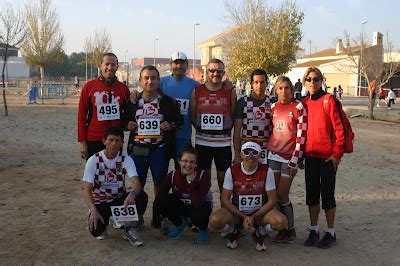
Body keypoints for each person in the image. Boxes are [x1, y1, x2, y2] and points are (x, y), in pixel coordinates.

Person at [123, 65, 183, 227]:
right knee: (138, 184)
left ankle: (159, 215)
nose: (150, 81)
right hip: (138, 150)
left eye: (154, 78)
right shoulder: (133, 101)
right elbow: (122, 121)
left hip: (159, 150)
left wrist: (170, 125)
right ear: (140, 81)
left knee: (159, 184)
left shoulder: (168, 102)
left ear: (158, 80)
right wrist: (127, 124)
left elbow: (180, 121)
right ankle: (138, 215)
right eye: (146, 78)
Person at [209, 141, 287, 251]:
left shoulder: (266, 171)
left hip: (260, 214)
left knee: (281, 222)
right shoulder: (231, 170)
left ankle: (259, 234)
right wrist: (244, 216)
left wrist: (254, 216)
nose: (250, 156)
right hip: (237, 213)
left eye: (254, 152)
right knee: (214, 221)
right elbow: (225, 199)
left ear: (260, 155)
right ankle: (234, 232)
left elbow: (272, 200)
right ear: (241, 155)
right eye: (246, 152)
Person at [82, 126, 148, 246]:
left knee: (141, 196)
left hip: (118, 199)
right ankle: (108, 219)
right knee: (97, 232)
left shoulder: (126, 159)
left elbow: (137, 183)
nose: (113, 144)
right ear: (104, 141)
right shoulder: (94, 160)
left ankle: (130, 229)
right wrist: (92, 209)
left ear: (122, 143)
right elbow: (87, 188)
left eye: (117, 141)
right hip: (100, 201)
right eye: (111, 140)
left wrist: (132, 195)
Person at [302, 67, 345, 249]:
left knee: (327, 196)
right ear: (305, 81)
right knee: (312, 196)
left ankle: (330, 232)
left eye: (316, 79)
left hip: (327, 157)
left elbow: (340, 130)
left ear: (322, 80)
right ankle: (314, 230)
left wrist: (336, 155)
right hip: (310, 156)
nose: (313, 82)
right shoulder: (303, 103)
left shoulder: (329, 100)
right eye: (309, 79)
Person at [268, 76, 307, 243]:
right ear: (276, 90)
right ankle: (281, 229)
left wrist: (295, 159)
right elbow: (270, 130)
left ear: (292, 89)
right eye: (280, 88)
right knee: (273, 195)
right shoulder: (273, 107)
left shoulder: (298, 107)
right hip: (273, 156)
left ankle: (290, 230)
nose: (284, 91)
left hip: (289, 158)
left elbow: (302, 135)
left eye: (287, 88)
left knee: (283, 194)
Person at [190, 58, 236, 191]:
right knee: (204, 181)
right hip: (203, 143)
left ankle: (224, 209)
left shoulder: (230, 91)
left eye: (219, 71)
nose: (216, 73)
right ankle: (206, 208)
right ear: (207, 71)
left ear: (223, 72)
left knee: (224, 181)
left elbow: (232, 116)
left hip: (223, 144)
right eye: (212, 70)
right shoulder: (197, 91)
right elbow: (193, 117)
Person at [155, 145, 213, 244]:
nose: (188, 165)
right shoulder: (172, 175)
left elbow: (198, 203)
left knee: (199, 215)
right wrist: (156, 225)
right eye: (185, 161)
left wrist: (191, 183)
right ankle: (180, 224)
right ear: (179, 161)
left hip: (199, 207)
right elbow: (159, 199)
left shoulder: (203, 176)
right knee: (162, 200)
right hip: (182, 206)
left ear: (196, 164)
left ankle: (203, 229)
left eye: (192, 162)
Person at [78, 53, 130, 160]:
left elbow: (129, 114)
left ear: (117, 66)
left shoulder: (124, 89)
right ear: (100, 65)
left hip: (115, 139)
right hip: (93, 138)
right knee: (95, 174)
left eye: (113, 64)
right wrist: (82, 142)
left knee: (113, 173)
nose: (110, 67)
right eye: (107, 64)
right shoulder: (89, 87)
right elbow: (81, 116)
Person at [159, 52, 201, 164]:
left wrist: (226, 83)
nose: (179, 66)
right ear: (170, 64)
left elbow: (211, 89)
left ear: (187, 64)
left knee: (183, 173)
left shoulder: (196, 85)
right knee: (161, 175)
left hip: (184, 136)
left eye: (182, 63)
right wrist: (135, 93)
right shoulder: (161, 82)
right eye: (175, 63)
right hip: (163, 136)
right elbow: (146, 92)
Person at [233, 69, 271, 165]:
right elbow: (237, 131)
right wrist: (237, 155)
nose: (259, 86)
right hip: (247, 147)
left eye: (262, 82)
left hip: (266, 148)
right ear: (251, 84)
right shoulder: (242, 102)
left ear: (267, 83)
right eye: (256, 82)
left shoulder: (272, 102)